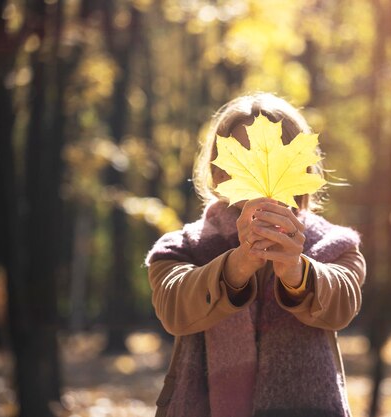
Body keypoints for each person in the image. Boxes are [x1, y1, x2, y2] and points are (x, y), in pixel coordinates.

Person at [145, 93, 366, 417]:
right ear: (218, 174)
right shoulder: (182, 247)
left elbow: (342, 306)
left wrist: (297, 272)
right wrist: (238, 265)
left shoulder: (336, 245)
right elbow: (174, 308)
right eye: (242, 160)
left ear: (302, 169)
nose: (259, 170)